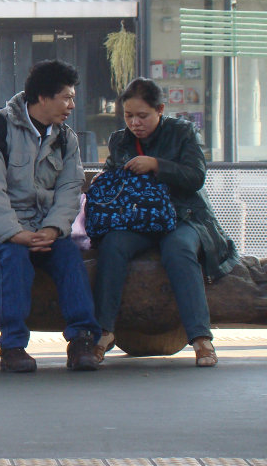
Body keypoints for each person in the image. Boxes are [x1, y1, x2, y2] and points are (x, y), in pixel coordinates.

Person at [0, 59, 102, 372]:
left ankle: (82, 340)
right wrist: (14, 233)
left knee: (68, 255)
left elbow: (69, 190)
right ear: (42, 97)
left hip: (43, 227)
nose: (72, 105)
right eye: (66, 97)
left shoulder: (66, 139)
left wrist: (53, 229)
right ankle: (12, 346)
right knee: (14, 257)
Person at [92, 77, 238, 367]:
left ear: (160, 110)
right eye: (129, 115)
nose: (135, 122)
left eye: (142, 115)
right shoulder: (120, 140)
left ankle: (200, 338)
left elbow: (196, 177)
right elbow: (112, 172)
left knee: (179, 249)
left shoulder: (183, 132)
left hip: (183, 216)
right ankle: (103, 331)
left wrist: (158, 165)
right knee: (112, 245)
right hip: (138, 218)